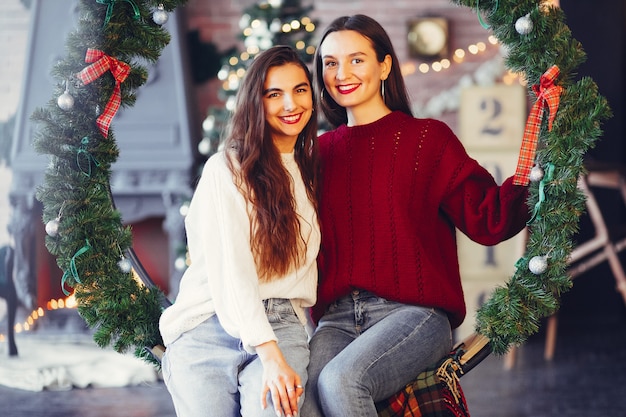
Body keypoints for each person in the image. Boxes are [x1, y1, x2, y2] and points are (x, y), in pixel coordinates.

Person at [301, 14, 530, 417]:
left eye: (356, 60)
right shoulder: (316, 155)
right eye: (330, 63)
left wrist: (535, 172)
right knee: (303, 397)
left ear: (384, 65)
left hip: (414, 315)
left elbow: (487, 218)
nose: (341, 74)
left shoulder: (427, 139)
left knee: (341, 381)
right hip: (336, 319)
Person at [159, 45, 320, 417]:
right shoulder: (227, 169)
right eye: (274, 94)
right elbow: (232, 268)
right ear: (256, 102)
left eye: (299, 89)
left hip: (282, 322)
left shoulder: (311, 170)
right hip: (208, 326)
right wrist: (270, 356)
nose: (290, 104)